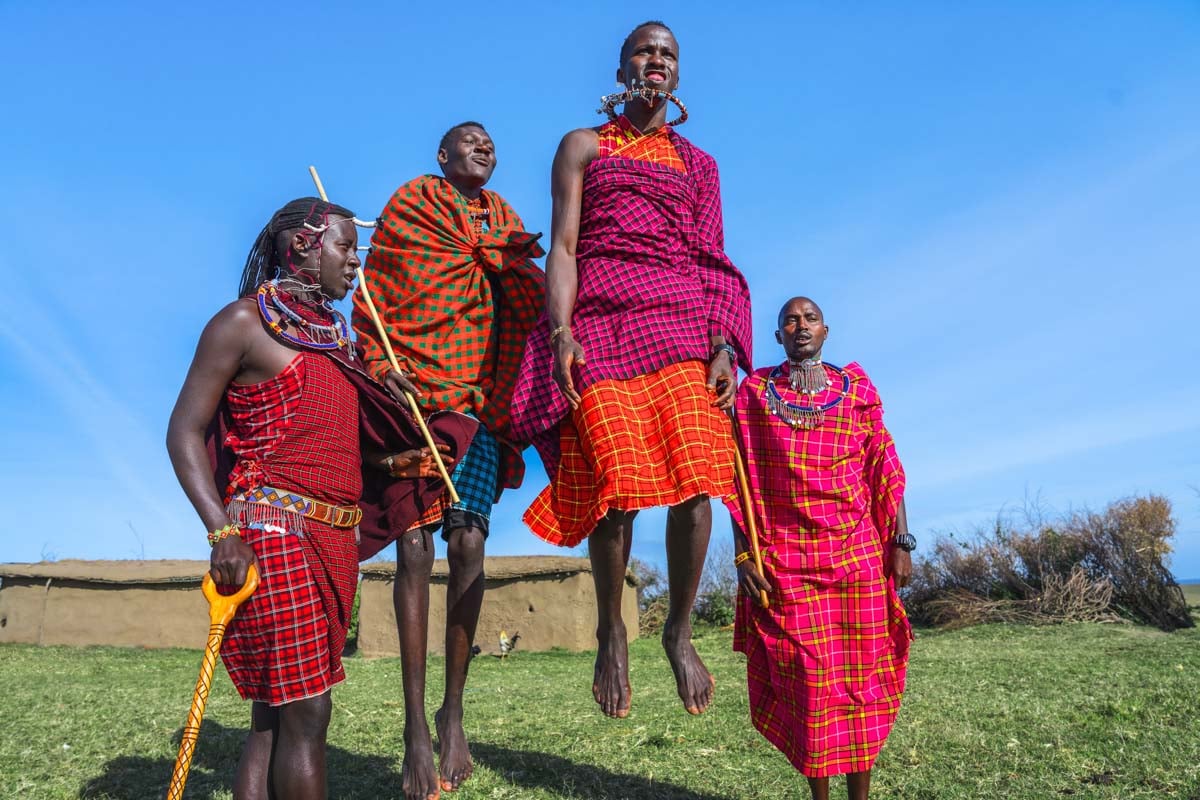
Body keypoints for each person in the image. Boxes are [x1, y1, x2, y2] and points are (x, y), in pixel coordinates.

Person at [166, 198, 468, 800]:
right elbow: (183, 431)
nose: (356, 262)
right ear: (304, 246)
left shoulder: (338, 343)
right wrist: (221, 532)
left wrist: (396, 427)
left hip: (334, 541)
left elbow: (333, 444)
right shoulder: (243, 324)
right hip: (270, 534)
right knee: (308, 713)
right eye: (346, 248)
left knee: (273, 718)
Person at [511, 21, 752, 719]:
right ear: (622, 69)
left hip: (680, 323)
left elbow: (713, 258)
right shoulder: (583, 146)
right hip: (602, 323)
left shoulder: (698, 164)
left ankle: (677, 626)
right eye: (645, 51)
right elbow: (562, 246)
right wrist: (559, 332)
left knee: (700, 474)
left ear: (677, 74)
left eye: (668, 53)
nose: (656, 61)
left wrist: (725, 344)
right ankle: (614, 624)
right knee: (614, 480)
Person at [352, 123, 545, 798]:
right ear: (441, 156)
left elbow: (527, 302)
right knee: (412, 550)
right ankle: (412, 731)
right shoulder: (411, 208)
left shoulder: (507, 221)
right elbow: (373, 303)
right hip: (409, 398)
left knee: (467, 544)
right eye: (468, 140)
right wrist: (383, 367)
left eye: (491, 141)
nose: (484, 147)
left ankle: (452, 712)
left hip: (477, 401)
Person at [727, 296, 915, 800]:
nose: (800, 326)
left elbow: (885, 468)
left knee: (861, 688)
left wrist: (900, 539)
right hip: (786, 563)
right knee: (810, 688)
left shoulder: (856, 388)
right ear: (778, 337)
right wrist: (745, 555)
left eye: (810, 319)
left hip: (857, 559)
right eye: (790, 320)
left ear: (826, 331)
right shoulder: (754, 394)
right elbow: (735, 478)